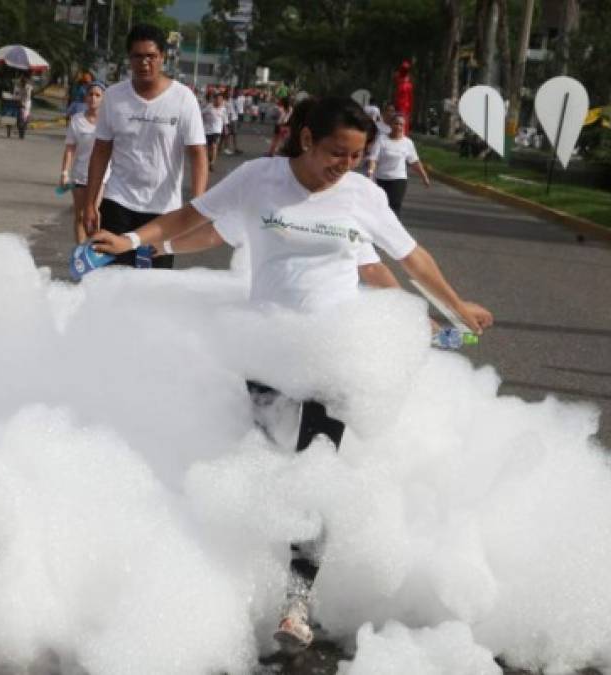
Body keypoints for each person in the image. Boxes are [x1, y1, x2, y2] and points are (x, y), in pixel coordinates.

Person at [91, 96, 493, 652]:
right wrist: (135, 241)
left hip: (332, 351)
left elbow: (410, 257)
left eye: (356, 155)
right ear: (307, 140)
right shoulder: (259, 179)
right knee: (265, 469)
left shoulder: (362, 196)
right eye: (337, 152)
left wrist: (454, 307)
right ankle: (237, 587)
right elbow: (195, 218)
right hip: (267, 349)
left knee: (315, 473)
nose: (345, 165)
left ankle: (295, 602)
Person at [83, 23, 208, 269]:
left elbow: (198, 154)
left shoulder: (183, 98)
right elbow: (100, 151)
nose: (144, 63)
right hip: (118, 202)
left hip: (164, 211)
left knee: (155, 287)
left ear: (162, 57)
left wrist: (199, 204)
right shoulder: (115, 96)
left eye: (151, 56)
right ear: (129, 58)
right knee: (112, 280)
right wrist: (90, 203)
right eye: (137, 56)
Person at [60, 81, 108, 244]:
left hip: (102, 176)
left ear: (103, 98)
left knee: (94, 212)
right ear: (85, 97)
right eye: (90, 94)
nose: (93, 98)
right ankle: (80, 251)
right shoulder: (77, 120)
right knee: (80, 216)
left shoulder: (109, 121)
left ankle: (94, 249)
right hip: (80, 175)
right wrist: (65, 173)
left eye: (97, 95)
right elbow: (70, 148)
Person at [365, 112, 431, 216]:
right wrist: (370, 171)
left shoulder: (408, 143)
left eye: (401, 125)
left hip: (399, 179)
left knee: (394, 206)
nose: (398, 127)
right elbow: (373, 158)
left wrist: (424, 177)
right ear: (391, 125)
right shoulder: (382, 140)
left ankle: (392, 229)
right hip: (382, 178)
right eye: (396, 123)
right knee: (381, 206)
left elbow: (414, 161)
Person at [202, 91, 229, 171]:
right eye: (217, 99)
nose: (219, 101)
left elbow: (225, 120)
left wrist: (226, 129)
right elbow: (201, 114)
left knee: (214, 146)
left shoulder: (223, 109)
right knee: (208, 147)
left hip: (217, 130)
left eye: (220, 99)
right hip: (207, 130)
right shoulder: (209, 107)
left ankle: (212, 163)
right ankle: (210, 158)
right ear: (214, 100)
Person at [13, 74, 33, 140]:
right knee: (20, 118)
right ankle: (20, 132)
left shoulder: (28, 87)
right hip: (20, 102)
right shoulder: (18, 86)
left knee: (25, 118)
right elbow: (15, 94)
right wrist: (17, 96)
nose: (22, 84)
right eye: (21, 82)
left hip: (26, 103)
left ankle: (23, 132)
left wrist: (22, 101)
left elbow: (27, 96)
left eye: (23, 82)